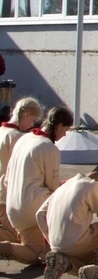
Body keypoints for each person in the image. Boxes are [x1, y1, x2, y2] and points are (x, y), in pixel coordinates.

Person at [1, 106, 73, 265]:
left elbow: (7, 175)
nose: (65, 134)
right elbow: (53, 185)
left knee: (26, 245)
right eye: (65, 129)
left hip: (12, 206)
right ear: (59, 126)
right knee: (35, 253)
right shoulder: (49, 148)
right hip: (32, 209)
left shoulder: (24, 138)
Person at [37, 162, 98, 279]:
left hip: (55, 243)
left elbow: (40, 214)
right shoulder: (92, 186)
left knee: (88, 260)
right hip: (74, 242)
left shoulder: (66, 185)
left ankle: (65, 263)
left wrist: (51, 241)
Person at [0, 97, 43, 243]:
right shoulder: (16, 137)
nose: (32, 125)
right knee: (21, 240)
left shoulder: (1, 131)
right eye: (32, 120)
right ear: (25, 114)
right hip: (5, 196)